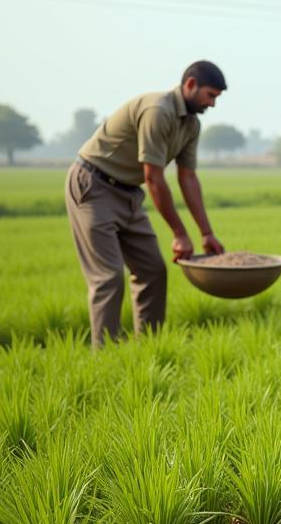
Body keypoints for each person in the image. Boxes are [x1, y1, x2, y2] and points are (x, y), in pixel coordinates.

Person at [65, 61, 227, 347]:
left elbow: (187, 178)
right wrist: (179, 233)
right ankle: (104, 357)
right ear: (190, 84)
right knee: (108, 277)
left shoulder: (191, 124)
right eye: (210, 95)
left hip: (128, 192)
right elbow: (154, 178)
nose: (213, 104)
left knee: (153, 270)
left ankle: (150, 348)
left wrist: (205, 233)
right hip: (94, 185)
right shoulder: (158, 110)